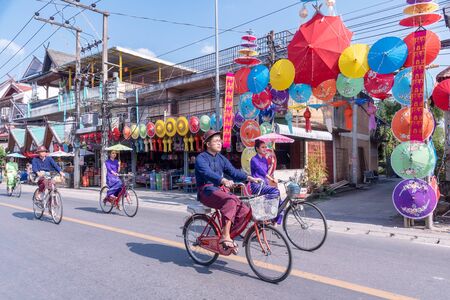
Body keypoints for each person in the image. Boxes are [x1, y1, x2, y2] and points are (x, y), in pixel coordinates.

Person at [195, 130, 261, 253]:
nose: (219, 143)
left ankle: (229, 235)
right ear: (208, 144)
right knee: (230, 201)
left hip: (219, 190)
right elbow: (206, 173)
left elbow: (233, 172)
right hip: (206, 191)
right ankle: (225, 236)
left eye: (220, 140)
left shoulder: (221, 158)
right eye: (215, 141)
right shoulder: (201, 158)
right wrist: (222, 179)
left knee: (244, 209)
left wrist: (248, 178)